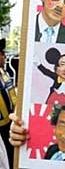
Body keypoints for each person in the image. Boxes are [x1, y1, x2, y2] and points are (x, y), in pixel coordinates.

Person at [0, 38, 17, 169]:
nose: (4, 56)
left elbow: (11, 94)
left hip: (9, 123)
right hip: (1, 127)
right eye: (2, 54)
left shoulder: (3, 72)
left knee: (11, 157)